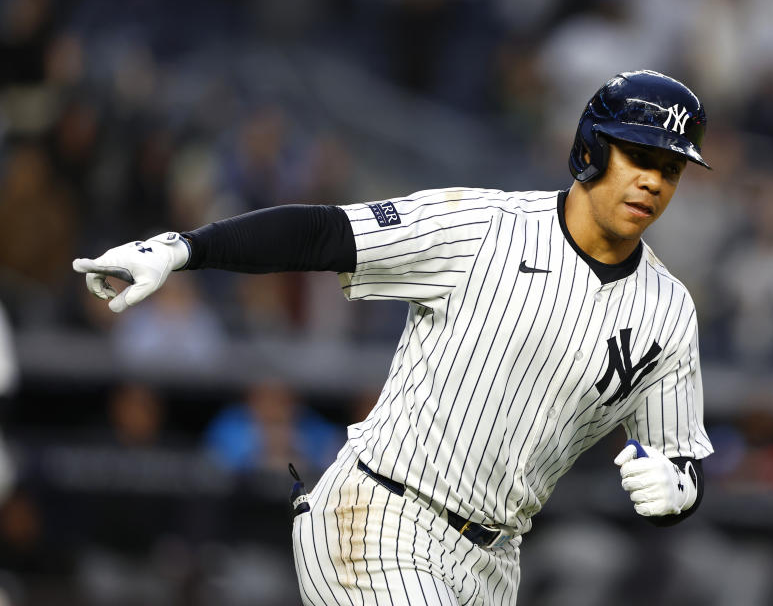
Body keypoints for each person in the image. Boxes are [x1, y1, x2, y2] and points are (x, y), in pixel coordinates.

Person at [74, 70, 715, 606]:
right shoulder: (482, 227)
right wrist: (184, 249)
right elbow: (324, 233)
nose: (653, 181)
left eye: (671, 168)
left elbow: (680, 459)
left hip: (495, 563)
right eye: (638, 156)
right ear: (591, 152)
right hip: (383, 514)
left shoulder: (668, 311)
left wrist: (680, 488)